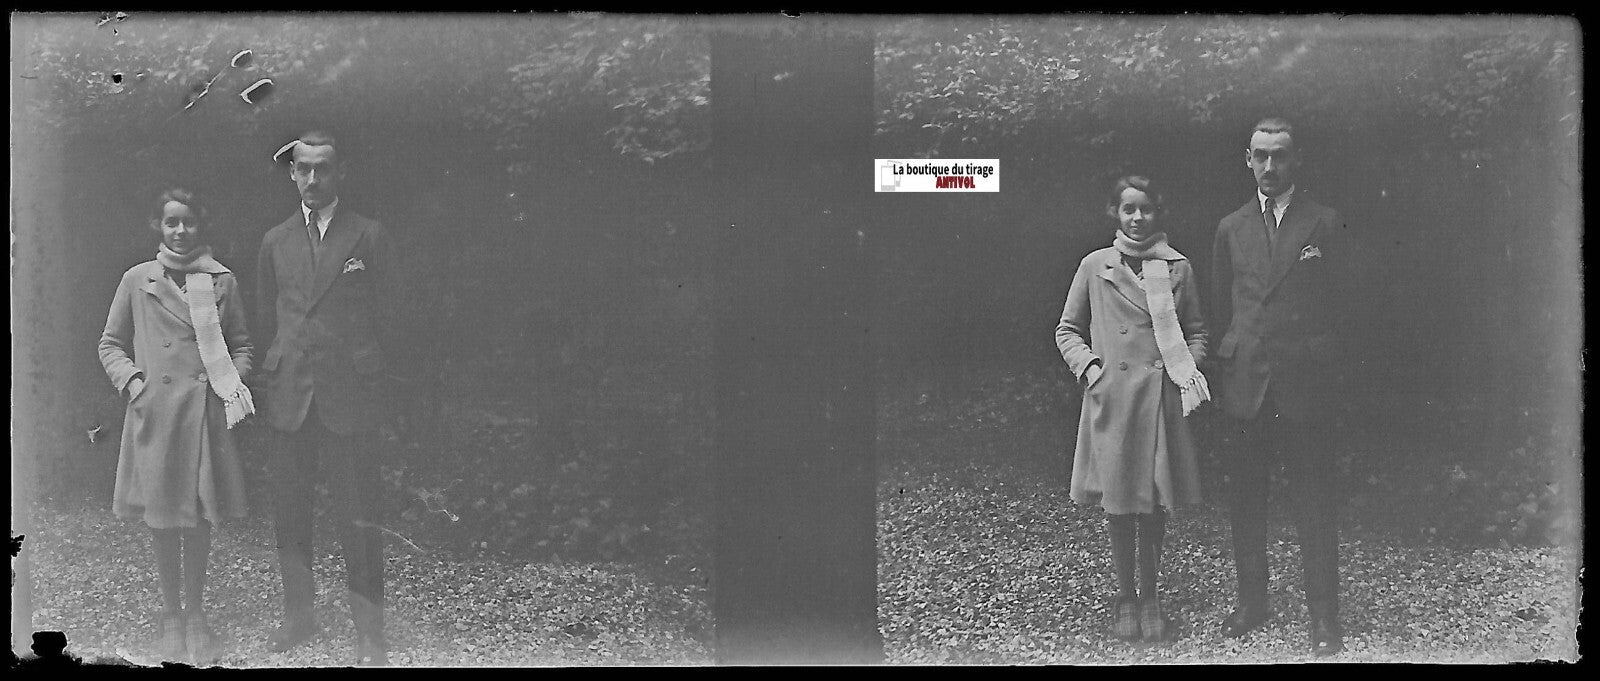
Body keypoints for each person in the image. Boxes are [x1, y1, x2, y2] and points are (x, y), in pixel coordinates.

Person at [256, 130, 400, 666]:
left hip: (351, 394)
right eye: (303, 169)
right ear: (292, 173)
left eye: (323, 169)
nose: (312, 179)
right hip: (291, 392)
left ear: (339, 173)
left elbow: (393, 315)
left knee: (358, 516)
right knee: (290, 515)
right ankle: (299, 616)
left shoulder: (370, 235)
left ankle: (369, 633)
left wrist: (371, 369)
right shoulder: (275, 240)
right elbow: (265, 309)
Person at [1210, 117, 1351, 656]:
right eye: (1261, 155)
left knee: (1315, 502)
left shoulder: (1325, 222)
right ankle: (1253, 602)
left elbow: (1344, 306)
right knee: (1247, 499)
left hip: (1304, 385)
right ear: (1247, 159)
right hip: (1248, 383)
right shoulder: (1231, 226)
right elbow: (1226, 306)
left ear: (1296, 161)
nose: (1270, 166)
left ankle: (1323, 617)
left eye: (1281, 155)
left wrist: (1320, 360)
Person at [99, 187, 255, 665]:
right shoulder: (137, 280)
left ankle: (196, 616)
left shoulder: (220, 280)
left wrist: (226, 385)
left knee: (200, 517)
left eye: (188, 222)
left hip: (202, 418)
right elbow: (110, 344)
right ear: (158, 227)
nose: (180, 231)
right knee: (163, 519)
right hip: (155, 416)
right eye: (171, 223)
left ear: (199, 225)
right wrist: (135, 385)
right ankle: (170, 615)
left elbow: (244, 346)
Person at [1056, 175, 1210, 642]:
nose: (1138, 218)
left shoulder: (1177, 267)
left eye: (1146, 209)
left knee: (1153, 502)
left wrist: (1183, 368)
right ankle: (1125, 595)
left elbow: (1198, 332)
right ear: (1115, 214)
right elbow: (1067, 330)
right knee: (1120, 504)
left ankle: (1151, 596)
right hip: (1113, 400)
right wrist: (1091, 370)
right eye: (1129, 209)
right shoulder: (1094, 266)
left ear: (1157, 213)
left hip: (1158, 401)